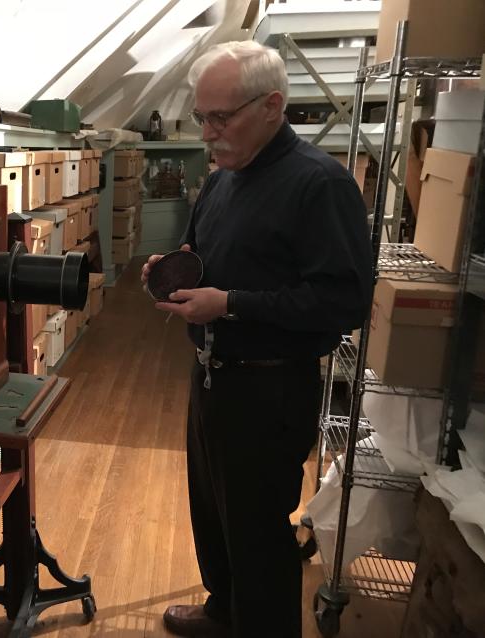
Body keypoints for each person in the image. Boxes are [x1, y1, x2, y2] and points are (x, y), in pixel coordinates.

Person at [141, 41, 372, 638]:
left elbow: (343, 300)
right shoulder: (223, 181)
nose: (210, 133)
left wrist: (231, 304)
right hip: (212, 374)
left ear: (273, 106)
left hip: (270, 387)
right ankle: (225, 611)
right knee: (213, 511)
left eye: (222, 117)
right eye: (202, 117)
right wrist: (173, 267)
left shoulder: (320, 185)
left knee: (259, 532)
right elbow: (203, 255)